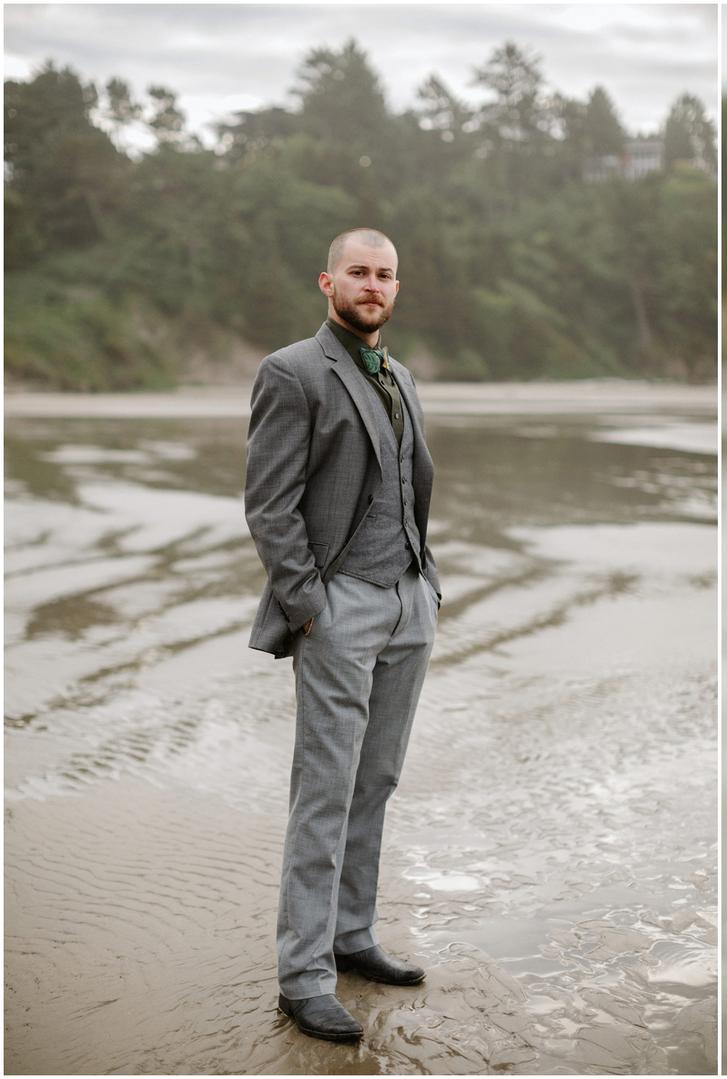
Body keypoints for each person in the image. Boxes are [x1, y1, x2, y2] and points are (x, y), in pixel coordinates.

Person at [245, 227, 442, 1043]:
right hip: (339, 606)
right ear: (328, 281)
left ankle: (352, 935)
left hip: (407, 604)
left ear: (397, 287)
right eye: (358, 272)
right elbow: (269, 503)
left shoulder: (400, 375)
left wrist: (424, 583)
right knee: (324, 791)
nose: (373, 284)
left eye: (385, 274)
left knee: (378, 780)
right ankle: (303, 974)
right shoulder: (292, 372)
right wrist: (310, 605)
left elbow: (408, 484)